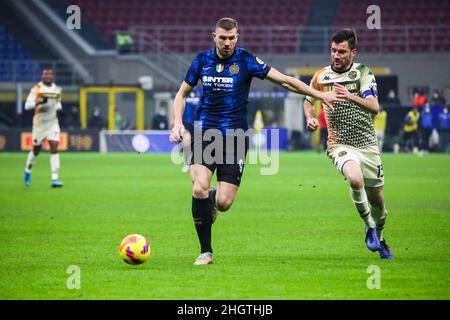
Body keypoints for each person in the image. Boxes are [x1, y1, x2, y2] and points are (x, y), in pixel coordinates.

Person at [169, 17, 339, 265]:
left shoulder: (246, 60)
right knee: (198, 187)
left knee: (224, 203)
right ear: (213, 36)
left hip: (235, 139)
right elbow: (181, 94)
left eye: (231, 38)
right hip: (204, 134)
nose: (226, 43)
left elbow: (284, 80)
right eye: (222, 37)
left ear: (237, 37)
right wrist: (177, 122)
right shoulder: (201, 61)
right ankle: (205, 252)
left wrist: (318, 95)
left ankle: (212, 198)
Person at [303, 28, 393, 259]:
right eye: (333, 51)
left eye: (342, 52)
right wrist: (310, 117)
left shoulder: (362, 72)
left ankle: (379, 234)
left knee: (379, 203)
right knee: (354, 178)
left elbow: (374, 107)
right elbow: (308, 99)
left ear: (353, 52)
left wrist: (349, 96)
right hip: (339, 144)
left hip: (367, 145)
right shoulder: (321, 76)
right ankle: (369, 227)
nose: (336, 56)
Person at [23, 68, 63, 188]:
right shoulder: (36, 89)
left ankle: (55, 179)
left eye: (50, 74)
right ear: (42, 75)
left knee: (54, 147)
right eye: (45, 74)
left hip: (52, 123)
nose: (47, 76)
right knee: (36, 150)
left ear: (53, 76)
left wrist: (56, 106)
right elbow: (26, 106)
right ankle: (27, 171)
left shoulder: (56, 89)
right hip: (39, 124)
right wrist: (37, 104)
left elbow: (58, 104)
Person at [180, 87, 202, 173]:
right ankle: (186, 163)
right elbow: (179, 103)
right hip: (187, 120)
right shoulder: (184, 90)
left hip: (199, 121)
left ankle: (196, 164)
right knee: (186, 139)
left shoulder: (201, 91)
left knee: (198, 144)